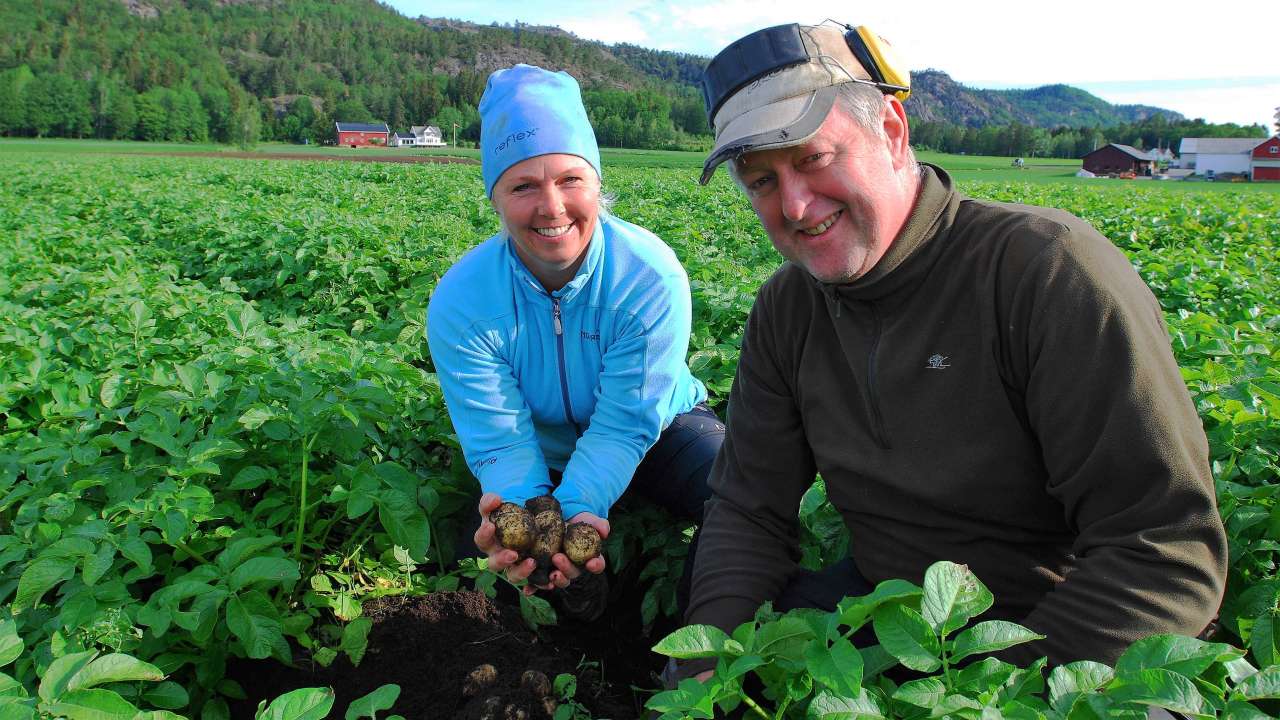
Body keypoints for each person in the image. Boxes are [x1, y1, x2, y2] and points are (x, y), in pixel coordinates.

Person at [676, 22, 1227, 679]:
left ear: (892, 131)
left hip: (1066, 624)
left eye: (812, 157)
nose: (793, 204)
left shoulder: (1046, 272)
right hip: (889, 609)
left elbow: (1164, 547)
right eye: (761, 181)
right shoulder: (787, 308)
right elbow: (747, 509)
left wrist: (991, 691)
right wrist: (706, 667)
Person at [427, 64, 723, 621]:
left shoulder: (649, 277)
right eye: (523, 186)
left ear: (597, 184)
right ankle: (583, 608)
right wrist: (538, 511)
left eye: (570, 179)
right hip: (539, 448)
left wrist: (579, 507)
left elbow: (624, 423)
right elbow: (500, 441)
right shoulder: (463, 302)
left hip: (659, 426)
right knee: (516, 549)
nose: (552, 207)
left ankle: (696, 649)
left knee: (735, 489)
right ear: (495, 198)